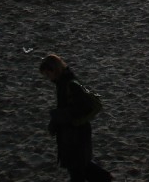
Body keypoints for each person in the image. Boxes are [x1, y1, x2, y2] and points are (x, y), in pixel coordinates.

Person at [39, 54, 113, 182]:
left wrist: (59, 117)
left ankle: (105, 178)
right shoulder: (65, 81)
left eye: (47, 74)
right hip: (74, 132)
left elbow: (77, 108)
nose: (47, 78)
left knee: (78, 168)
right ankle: (104, 178)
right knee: (80, 166)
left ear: (53, 70)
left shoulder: (68, 84)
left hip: (75, 133)